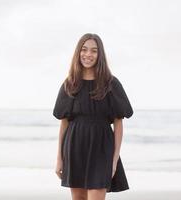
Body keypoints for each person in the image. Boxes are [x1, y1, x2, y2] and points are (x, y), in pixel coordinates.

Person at [52, 33, 133, 200]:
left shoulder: (111, 83)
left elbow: (118, 122)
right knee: (79, 198)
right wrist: (59, 158)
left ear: (100, 55)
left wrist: (114, 159)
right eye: (84, 49)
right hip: (74, 145)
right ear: (78, 52)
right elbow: (64, 123)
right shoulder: (70, 83)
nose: (88, 54)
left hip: (102, 147)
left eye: (94, 51)